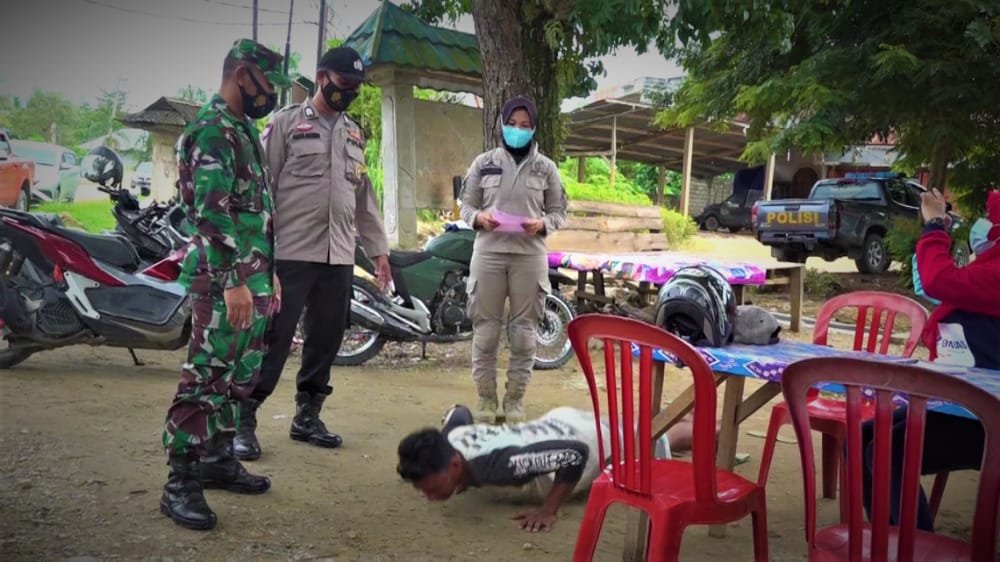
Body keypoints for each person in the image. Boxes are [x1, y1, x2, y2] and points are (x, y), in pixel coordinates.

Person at [232, 46, 392, 460]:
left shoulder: (354, 133)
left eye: (356, 86)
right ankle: (243, 419)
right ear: (322, 77)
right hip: (290, 253)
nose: (350, 92)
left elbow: (363, 200)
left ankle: (307, 416)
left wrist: (378, 251)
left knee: (326, 338)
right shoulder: (286, 124)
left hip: (338, 255)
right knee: (274, 337)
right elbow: (262, 189)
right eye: (344, 83)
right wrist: (258, 253)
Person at [159, 38, 288, 531]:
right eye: (267, 85)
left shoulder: (242, 129)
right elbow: (211, 215)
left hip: (251, 277)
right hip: (223, 282)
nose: (271, 95)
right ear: (241, 75)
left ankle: (217, 458)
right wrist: (234, 282)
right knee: (206, 377)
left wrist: (268, 274)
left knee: (238, 375)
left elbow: (255, 213)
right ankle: (181, 481)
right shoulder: (213, 130)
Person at [862, 188, 1000, 532]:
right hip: (964, 401)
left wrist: (935, 225)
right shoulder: (989, 267)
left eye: (991, 218)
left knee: (885, 451)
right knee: (861, 437)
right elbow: (951, 285)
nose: (984, 225)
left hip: (987, 417)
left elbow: (939, 280)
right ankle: (888, 541)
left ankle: (915, 546)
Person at [397, 405, 694, 533]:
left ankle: (711, 427)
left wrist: (548, 509)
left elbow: (574, 455)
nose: (429, 497)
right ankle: (684, 412)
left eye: (433, 488)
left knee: (659, 439)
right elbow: (459, 411)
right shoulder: (448, 438)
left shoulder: (500, 466)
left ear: (455, 464)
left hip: (585, 441)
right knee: (626, 425)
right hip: (557, 421)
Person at [458, 96, 568, 424]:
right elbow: (466, 205)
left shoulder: (546, 168)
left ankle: (515, 400)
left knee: (523, 334)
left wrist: (543, 224)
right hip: (489, 253)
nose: (517, 130)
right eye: (512, 124)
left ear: (533, 129)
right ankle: (486, 398)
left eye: (524, 125)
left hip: (529, 256)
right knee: (486, 331)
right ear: (502, 125)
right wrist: (479, 218)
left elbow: (559, 211)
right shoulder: (483, 163)